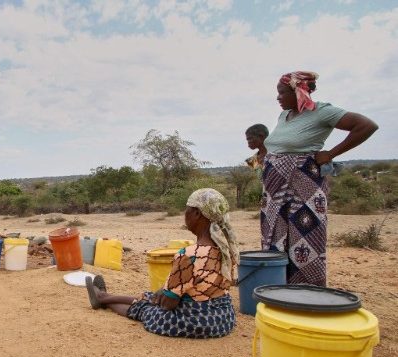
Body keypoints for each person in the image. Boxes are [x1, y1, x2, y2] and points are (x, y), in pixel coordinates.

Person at [261, 71, 378, 286]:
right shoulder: (284, 116)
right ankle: (278, 285)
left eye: (281, 93)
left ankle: (307, 289)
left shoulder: (322, 112)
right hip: (275, 192)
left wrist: (330, 153)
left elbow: (367, 125)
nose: (277, 98)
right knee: (276, 234)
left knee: (303, 236)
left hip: (303, 187)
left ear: (298, 92)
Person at [86, 188, 239, 339]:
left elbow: (168, 304)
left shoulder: (188, 255)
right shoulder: (227, 250)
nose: (185, 214)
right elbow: (204, 283)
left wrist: (164, 294)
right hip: (222, 316)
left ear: (198, 214)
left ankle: (101, 300)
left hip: (195, 320)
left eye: (187, 210)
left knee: (146, 308)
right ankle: (104, 297)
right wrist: (165, 291)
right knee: (153, 295)